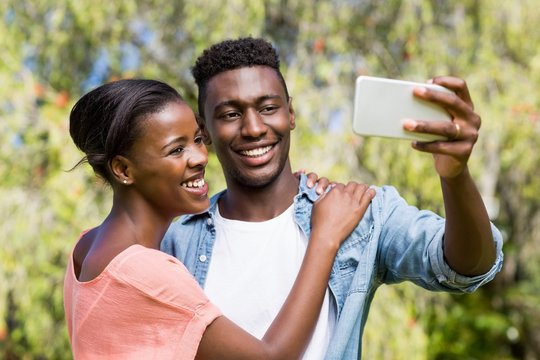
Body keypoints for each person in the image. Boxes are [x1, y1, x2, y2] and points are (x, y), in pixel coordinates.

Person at [161, 37, 505, 359]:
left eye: (267, 107)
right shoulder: (176, 244)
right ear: (203, 130)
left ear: (290, 114)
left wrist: (455, 175)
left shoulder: (358, 214)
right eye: (231, 114)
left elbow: (467, 267)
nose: (253, 128)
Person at [63, 78, 375, 359]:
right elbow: (271, 357)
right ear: (124, 170)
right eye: (176, 150)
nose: (199, 158)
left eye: (198, 139)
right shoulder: (145, 271)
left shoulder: (86, 247)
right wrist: (325, 236)